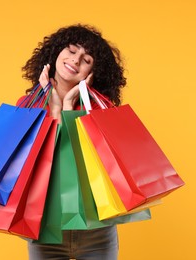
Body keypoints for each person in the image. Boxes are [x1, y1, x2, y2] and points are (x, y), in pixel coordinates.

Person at [21, 24, 127, 260]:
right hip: (45, 230)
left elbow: (86, 165)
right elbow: (37, 163)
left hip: (96, 230)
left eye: (86, 59)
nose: (76, 60)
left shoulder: (101, 111)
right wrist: (55, 108)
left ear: (92, 73)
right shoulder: (28, 106)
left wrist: (69, 107)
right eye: (71, 50)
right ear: (56, 53)